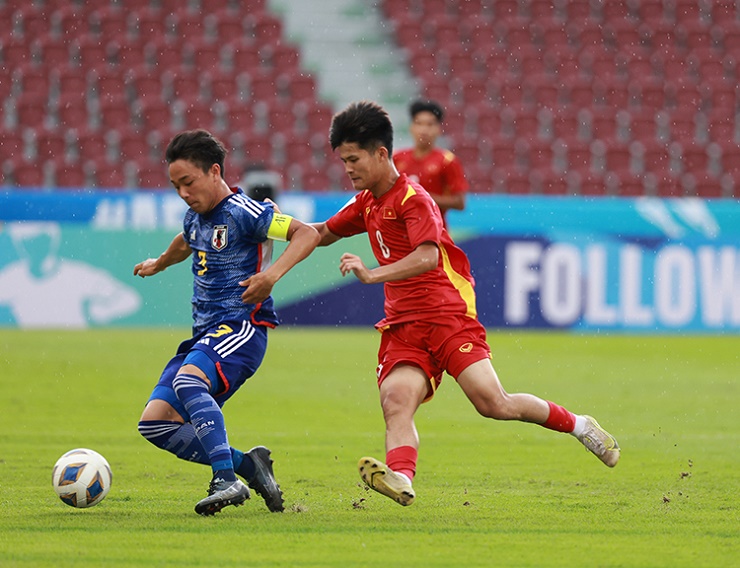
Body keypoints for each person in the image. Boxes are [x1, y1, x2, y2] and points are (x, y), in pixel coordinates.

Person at [312, 101, 620, 507]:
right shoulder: (367, 201)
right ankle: (401, 478)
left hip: (446, 316)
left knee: (493, 403)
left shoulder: (414, 197)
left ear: (380, 154)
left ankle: (580, 425)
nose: (348, 168)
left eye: (353, 159)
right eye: (344, 160)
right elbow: (320, 232)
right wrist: (266, 225)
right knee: (396, 401)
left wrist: (371, 274)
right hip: (403, 325)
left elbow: (427, 256)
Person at [133, 129, 320, 516]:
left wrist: (272, 276)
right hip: (205, 335)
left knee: (188, 382)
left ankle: (225, 480)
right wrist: (159, 263)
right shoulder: (195, 217)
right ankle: (248, 466)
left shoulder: (245, 211)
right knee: (156, 423)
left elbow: (307, 234)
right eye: (175, 185)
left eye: (189, 182)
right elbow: (184, 241)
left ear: (214, 171)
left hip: (241, 327)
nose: (183, 193)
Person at [393, 99, 467, 228]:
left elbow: (460, 203)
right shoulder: (397, 158)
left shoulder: (447, 161)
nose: (424, 130)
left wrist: (423, 197)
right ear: (411, 127)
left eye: (430, 124)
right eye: (419, 123)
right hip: (401, 232)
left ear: (439, 129)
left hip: (435, 231)